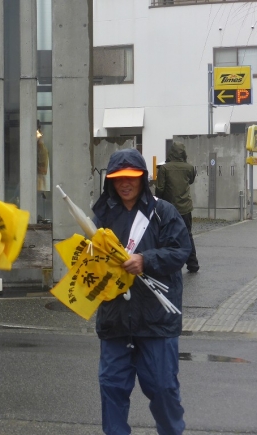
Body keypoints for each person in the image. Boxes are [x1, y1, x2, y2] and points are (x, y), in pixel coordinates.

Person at [92, 148, 191, 435]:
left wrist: (145, 260)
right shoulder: (102, 215)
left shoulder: (163, 211)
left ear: (143, 178)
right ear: (110, 180)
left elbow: (180, 251)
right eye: (118, 178)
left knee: (163, 389)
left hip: (156, 319)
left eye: (131, 178)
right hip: (115, 318)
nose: (125, 183)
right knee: (111, 388)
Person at [156, 141, 199, 273]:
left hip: (169, 208)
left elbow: (160, 189)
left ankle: (172, 264)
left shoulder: (164, 168)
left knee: (169, 236)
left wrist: (159, 203)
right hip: (185, 207)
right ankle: (193, 264)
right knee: (188, 234)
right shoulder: (189, 168)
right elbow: (190, 181)